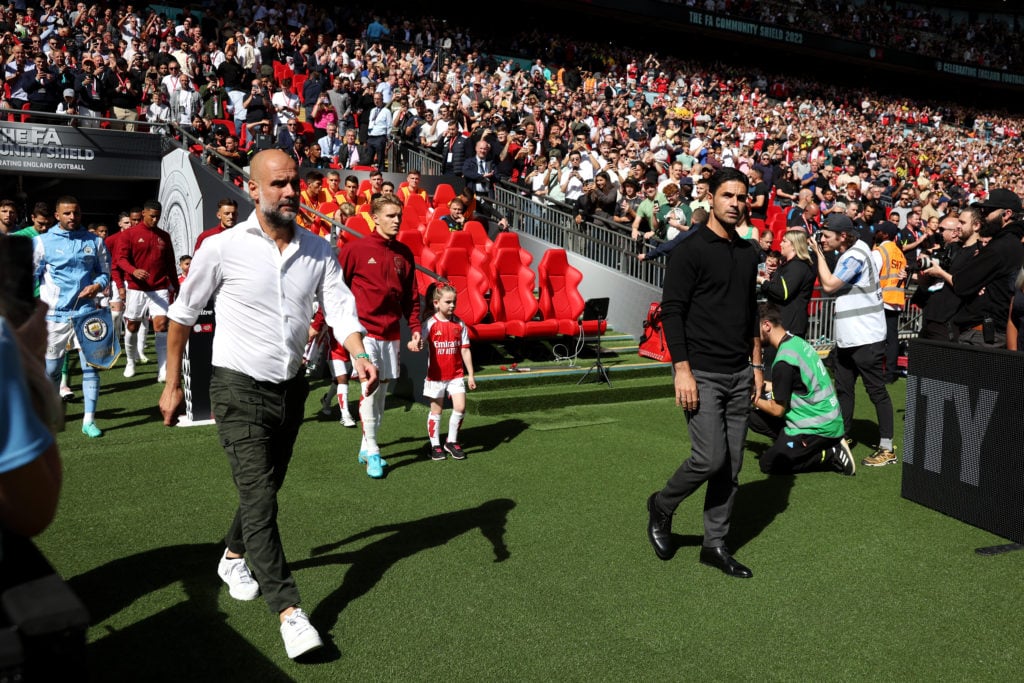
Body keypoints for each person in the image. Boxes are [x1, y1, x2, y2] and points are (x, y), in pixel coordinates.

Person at [158, 149, 378, 660]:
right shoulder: (222, 248)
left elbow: (341, 309)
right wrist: (172, 384)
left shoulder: (320, 250)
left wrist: (360, 352)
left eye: (294, 183)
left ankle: (232, 556)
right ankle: (290, 612)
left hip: (290, 387)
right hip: (235, 388)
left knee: (268, 485)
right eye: (277, 184)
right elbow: (182, 315)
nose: (289, 192)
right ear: (252, 189)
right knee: (261, 498)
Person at [645, 168, 762, 579]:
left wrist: (757, 365)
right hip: (702, 373)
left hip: (739, 374)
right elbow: (672, 311)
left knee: (731, 467)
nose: (735, 203)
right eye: (727, 195)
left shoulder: (749, 253)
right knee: (709, 458)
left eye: (742, 197)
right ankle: (662, 505)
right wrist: (682, 371)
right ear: (710, 198)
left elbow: (751, 314)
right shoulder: (689, 249)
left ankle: (714, 544)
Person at [338, 195, 421, 479]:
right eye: (390, 215)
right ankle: (373, 450)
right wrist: (324, 325)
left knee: (382, 395)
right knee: (369, 391)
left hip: (392, 334)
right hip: (364, 334)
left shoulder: (405, 253)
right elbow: (336, 291)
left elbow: (412, 297)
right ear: (375, 218)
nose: (396, 220)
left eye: (398, 215)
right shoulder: (355, 250)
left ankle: (365, 445)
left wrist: (416, 328)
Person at [810, 213, 896, 467]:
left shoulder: (855, 255)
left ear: (843, 236)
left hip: (865, 336)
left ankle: (887, 448)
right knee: (843, 389)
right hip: (851, 336)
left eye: (826, 236)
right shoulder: (854, 250)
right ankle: (842, 437)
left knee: (876, 391)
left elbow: (828, 285)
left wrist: (818, 254)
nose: (822, 239)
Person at [32, 197, 111, 438]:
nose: (72, 217)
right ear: (57, 215)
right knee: (53, 369)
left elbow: (105, 273)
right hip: (55, 315)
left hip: (87, 313)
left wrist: (97, 286)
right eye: (66, 213)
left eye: (75, 213)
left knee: (91, 367)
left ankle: (89, 420)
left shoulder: (94, 241)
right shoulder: (42, 242)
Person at [747, 303, 856, 476]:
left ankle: (830, 454)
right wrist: (758, 385)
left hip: (818, 427)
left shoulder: (783, 361)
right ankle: (792, 446)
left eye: (754, 332)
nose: (754, 338)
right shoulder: (796, 342)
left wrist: (751, 396)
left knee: (768, 464)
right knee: (752, 417)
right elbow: (793, 386)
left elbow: (777, 410)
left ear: (766, 325)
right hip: (824, 417)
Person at [925, 189, 1024, 348]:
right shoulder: (1014, 244)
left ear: (1006, 214)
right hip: (993, 332)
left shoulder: (1000, 247)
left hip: (983, 336)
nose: (984, 215)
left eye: (988, 211)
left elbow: (962, 283)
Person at [113, 200, 178, 382]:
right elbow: (120, 260)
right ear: (143, 214)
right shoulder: (130, 234)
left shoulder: (164, 236)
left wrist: (177, 287)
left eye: (158, 216)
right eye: (152, 216)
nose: (155, 219)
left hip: (160, 288)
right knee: (132, 326)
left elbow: (170, 264)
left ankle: (163, 369)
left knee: (161, 325)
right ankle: (131, 362)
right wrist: (133, 271)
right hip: (136, 289)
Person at [411, 284, 476, 461]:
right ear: (436, 303)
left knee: (460, 407)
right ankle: (435, 446)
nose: (452, 305)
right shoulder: (430, 323)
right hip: (436, 377)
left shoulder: (460, 324)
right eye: (448, 302)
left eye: (454, 302)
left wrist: (470, 374)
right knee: (436, 411)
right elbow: (418, 342)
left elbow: (465, 350)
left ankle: (451, 441)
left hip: (456, 375)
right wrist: (415, 344)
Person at [758, 230, 816, 338]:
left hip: (789, 326)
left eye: (784, 241)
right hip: (780, 322)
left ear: (794, 245)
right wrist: (769, 278)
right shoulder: (788, 265)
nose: (780, 244)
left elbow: (782, 293)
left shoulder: (797, 266)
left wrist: (763, 281)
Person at [871, 221, 907, 382]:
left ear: (885, 234)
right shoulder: (899, 253)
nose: (876, 232)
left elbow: (871, 276)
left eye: (879, 231)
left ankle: (874, 370)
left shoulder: (880, 251)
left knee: (875, 337)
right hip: (896, 299)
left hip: (881, 299)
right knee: (892, 339)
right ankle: (891, 373)